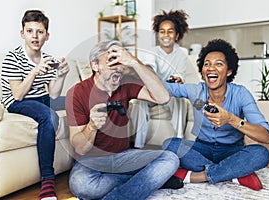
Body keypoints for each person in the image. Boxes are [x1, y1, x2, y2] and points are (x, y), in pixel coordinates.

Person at [65, 40, 183, 200]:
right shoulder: (77, 93)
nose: (118, 68)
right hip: (91, 161)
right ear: (95, 66)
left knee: (170, 159)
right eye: (111, 61)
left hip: (122, 156)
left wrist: (133, 62)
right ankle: (150, 181)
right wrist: (92, 126)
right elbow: (80, 148)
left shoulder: (125, 83)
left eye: (119, 62)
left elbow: (162, 97)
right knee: (81, 185)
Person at [162, 38, 269, 191]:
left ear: (229, 71)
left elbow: (265, 136)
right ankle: (233, 173)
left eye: (218, 64)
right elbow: (164, 87)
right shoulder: (196, 92)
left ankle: (196, 176)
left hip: (231, 150)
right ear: (202, 70)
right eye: (206, 64)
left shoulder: (241, 94)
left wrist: (231, 119)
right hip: (202, 148)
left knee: (261, 154)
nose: (211, 68)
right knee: (170, 144)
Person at [1, 10, 70, 200]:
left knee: (76, 101)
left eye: (39, 32)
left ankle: (91, 158)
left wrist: (61, 75)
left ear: (47, 36)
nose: (35, 36)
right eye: (30, 31)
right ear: (22, 34)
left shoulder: (47, 59)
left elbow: (53, 94)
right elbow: (18, 94)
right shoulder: (12, 58)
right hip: (17, 102)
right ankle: (47, 180)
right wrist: (34, 72)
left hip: (41, 98)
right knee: (48, 116)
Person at [131, 10, 190, 148]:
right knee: (140, 101)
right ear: (158, 35)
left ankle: (179, 141)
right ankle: (138, 146)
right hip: (153, 93)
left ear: (177, 35)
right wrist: (149, 73)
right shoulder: (152, 52)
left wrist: (178, 79)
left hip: (170, 93)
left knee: (180, 100)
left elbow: (181, 74)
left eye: (170, 31)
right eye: (162, 31)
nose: (166, 35)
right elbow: (150, 68)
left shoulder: (182, 53)